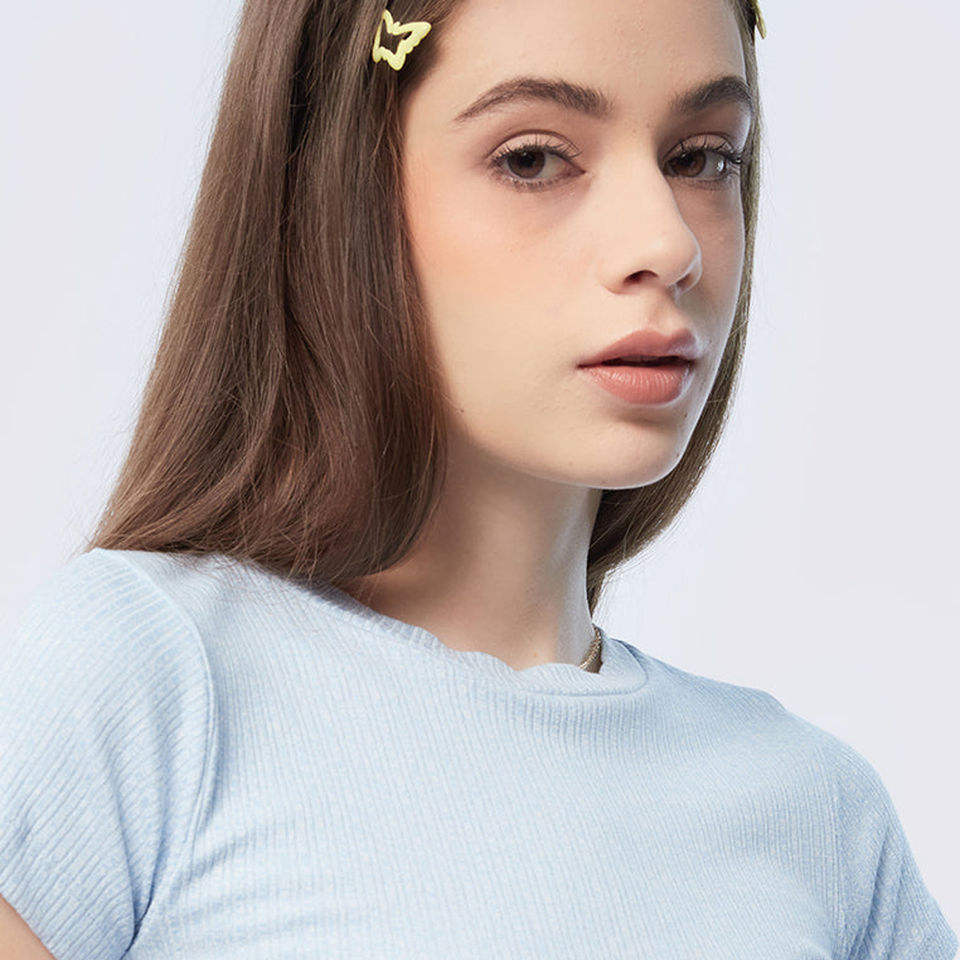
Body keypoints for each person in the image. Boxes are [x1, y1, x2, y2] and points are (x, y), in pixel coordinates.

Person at [0, 0, 955, 957]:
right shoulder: (146, 683)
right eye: (533, 159)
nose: (670, 245)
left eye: (702, 157)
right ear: (339, 191)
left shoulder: (820, 820)